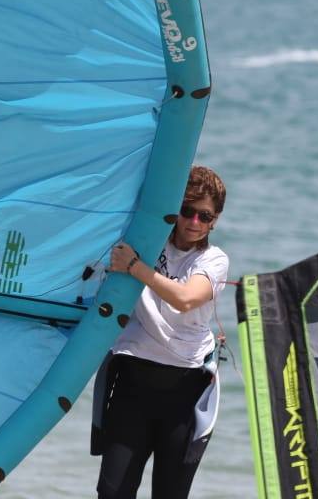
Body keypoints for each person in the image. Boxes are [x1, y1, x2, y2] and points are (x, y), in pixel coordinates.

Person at [93, 165, 229, 499]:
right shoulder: (146, 241)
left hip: (185, 389)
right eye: (187, 211)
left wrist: (135, 267)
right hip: (132, 383)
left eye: (204, 216)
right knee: (111, 493)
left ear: (215, 220)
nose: (194, 222)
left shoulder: (213, 260)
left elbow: (185, 299)